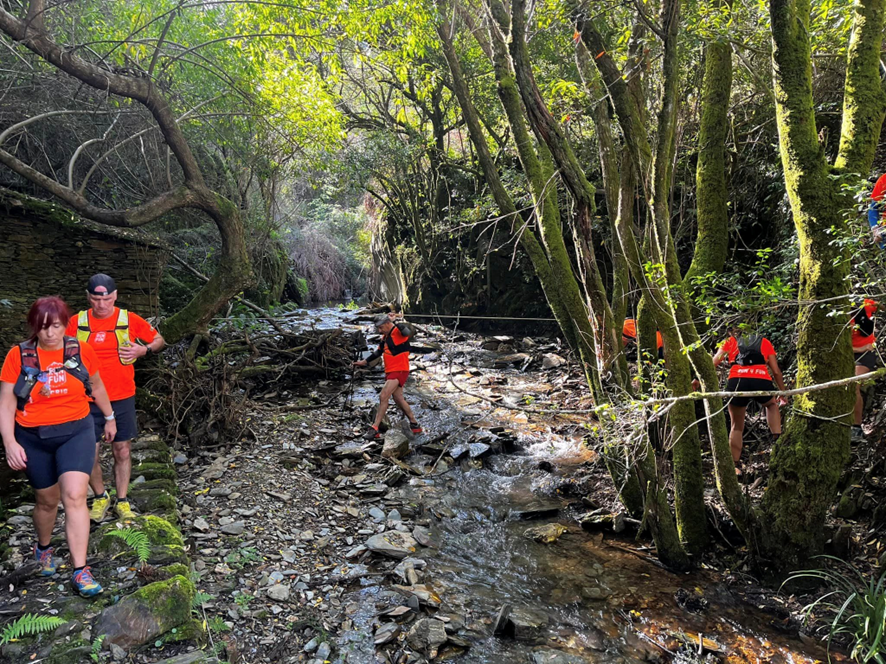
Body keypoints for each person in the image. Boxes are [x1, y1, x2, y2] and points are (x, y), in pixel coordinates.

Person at [0, 297, 116, 597]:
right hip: (33, 436)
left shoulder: (81, 350)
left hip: (76, 430)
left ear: (66, 324)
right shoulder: (18, 356)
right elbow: (7, 403)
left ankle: (80, 570)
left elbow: (97, 385)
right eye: (43, 327)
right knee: (47, 501)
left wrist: (109, 418)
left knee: (75, 495)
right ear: (33, 327)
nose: (50, 333)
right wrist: (10, 442)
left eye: (55, 326)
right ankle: (43, 548)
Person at [65, 274, 165, 522]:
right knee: (89, 453)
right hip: (86, 399)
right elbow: (56, 350)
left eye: (107, 299)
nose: (102, 305)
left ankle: (122, 500)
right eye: (96, 299)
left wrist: (143, 349)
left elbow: (159, 340)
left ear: (115, 296)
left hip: (122, 396)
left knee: (122, 450)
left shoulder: (128, 319)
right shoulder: (76, 322)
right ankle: (100, 496)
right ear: (88, 297)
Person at [711, 327, 788, 474]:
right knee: (771, 404)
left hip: (737, 381)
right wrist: (782, 393)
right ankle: (777, 441)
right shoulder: (764, 342)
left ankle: (734, 465)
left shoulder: (730, 341)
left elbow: (713, 362)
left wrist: (697, 380)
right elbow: (776, 371)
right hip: (761, 379)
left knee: (736, 427)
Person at [354, 313, 422, 440]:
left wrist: (395, 321)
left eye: (381, 327)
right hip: (391, 370)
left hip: (399, 369)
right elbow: (378, 352)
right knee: (398, 398)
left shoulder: (398, 331)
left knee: (383, 396)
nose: (379, 331)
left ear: (387, 323)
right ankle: (414, 424)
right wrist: (364, 362)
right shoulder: (385, 337)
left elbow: (408, 332)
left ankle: (375, 428)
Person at [850, 298, 878, 442]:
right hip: (849, 352)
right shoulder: (836, 317)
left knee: (853, 384)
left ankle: (856, 428)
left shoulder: (864, 304)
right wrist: (859, 348)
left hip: (865, 355)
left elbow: (880, 305)